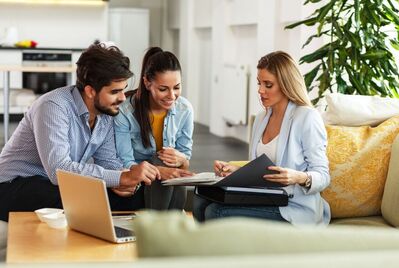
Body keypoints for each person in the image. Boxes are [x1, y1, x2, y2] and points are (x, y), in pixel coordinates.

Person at [0, 43, 160, 222]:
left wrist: (124, 181)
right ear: (90, 91)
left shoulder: (106, 114)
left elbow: (108, 162)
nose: (122, 98)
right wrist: (120, 177)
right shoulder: (53, 106)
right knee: (77, 198)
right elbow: (58, 170)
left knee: (134, 197)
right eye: (115, 91)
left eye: (123, 89)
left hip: (56, 184)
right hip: (13, 185)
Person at [193, 51, 331, 225]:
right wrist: (236, 171)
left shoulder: (307, 117)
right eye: (259, 83)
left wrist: (298, 177)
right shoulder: (261, 118)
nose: (260, 90)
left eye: (268, 85)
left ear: (285, 84)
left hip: (294, 206)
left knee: (217, 212)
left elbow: (323, 176)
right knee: (200, 202)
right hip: (265, 197)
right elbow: (262, 168)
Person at [114, 47, 194, 210]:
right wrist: (159, 170)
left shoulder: (185, 109)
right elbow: (125, 162)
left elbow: (185, 161)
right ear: (147, 83)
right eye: (163, 89)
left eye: (177, 87)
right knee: (162, 162)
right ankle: (169, 224)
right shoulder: (125, 111)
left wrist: (182, 160)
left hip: (169, 183)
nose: (172, 96)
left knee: (171, 163)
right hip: (138, 179)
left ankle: (167, 225)